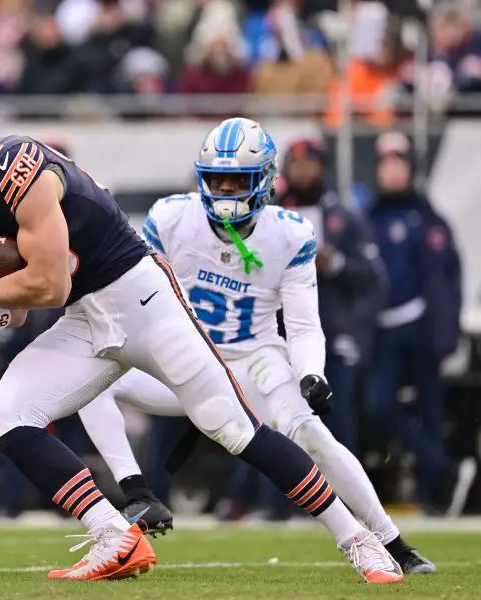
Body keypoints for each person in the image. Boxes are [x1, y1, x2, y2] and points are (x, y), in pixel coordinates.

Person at [0, 97, 401, 583]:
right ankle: (113, 534)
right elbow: (16, 313)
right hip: (85, 318)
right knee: (4, 415)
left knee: (233, 427)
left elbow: (49, 284)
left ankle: (357, 537)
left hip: (143, 300)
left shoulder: (19, 165)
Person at [80, 120, 434, 575]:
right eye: (217, 179)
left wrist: (311, 372)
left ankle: (393, 544)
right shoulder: (171, 217)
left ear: (264, 179)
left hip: (253, 360)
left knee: (313, 435)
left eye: (237, 180)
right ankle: (135, 494)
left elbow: (304, 323)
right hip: (179, 358)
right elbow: (132, 292)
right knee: (92, 378)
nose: (225, 190)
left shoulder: (290, 233)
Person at [366, 132, 461, 513]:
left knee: (430, 411)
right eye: (385, 165)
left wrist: (446, 331)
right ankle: (440, 464)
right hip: (381, 331)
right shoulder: (366, 219)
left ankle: (433, 494)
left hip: (420, 326)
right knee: (378, 405)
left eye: (398, 164)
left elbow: (448, 279)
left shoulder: (429, 219)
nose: (391, 172)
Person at [276, 138, 386, 451]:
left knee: (333, 424)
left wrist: (335, 264)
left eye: (309, 164)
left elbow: (372, 279)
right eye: (296, 165)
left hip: (330, 332)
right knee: (279, 422)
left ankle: (344, 496)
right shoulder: (271, 212)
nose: (302, 171)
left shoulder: (344, 216)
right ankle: (268, 499)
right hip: (279, 334)